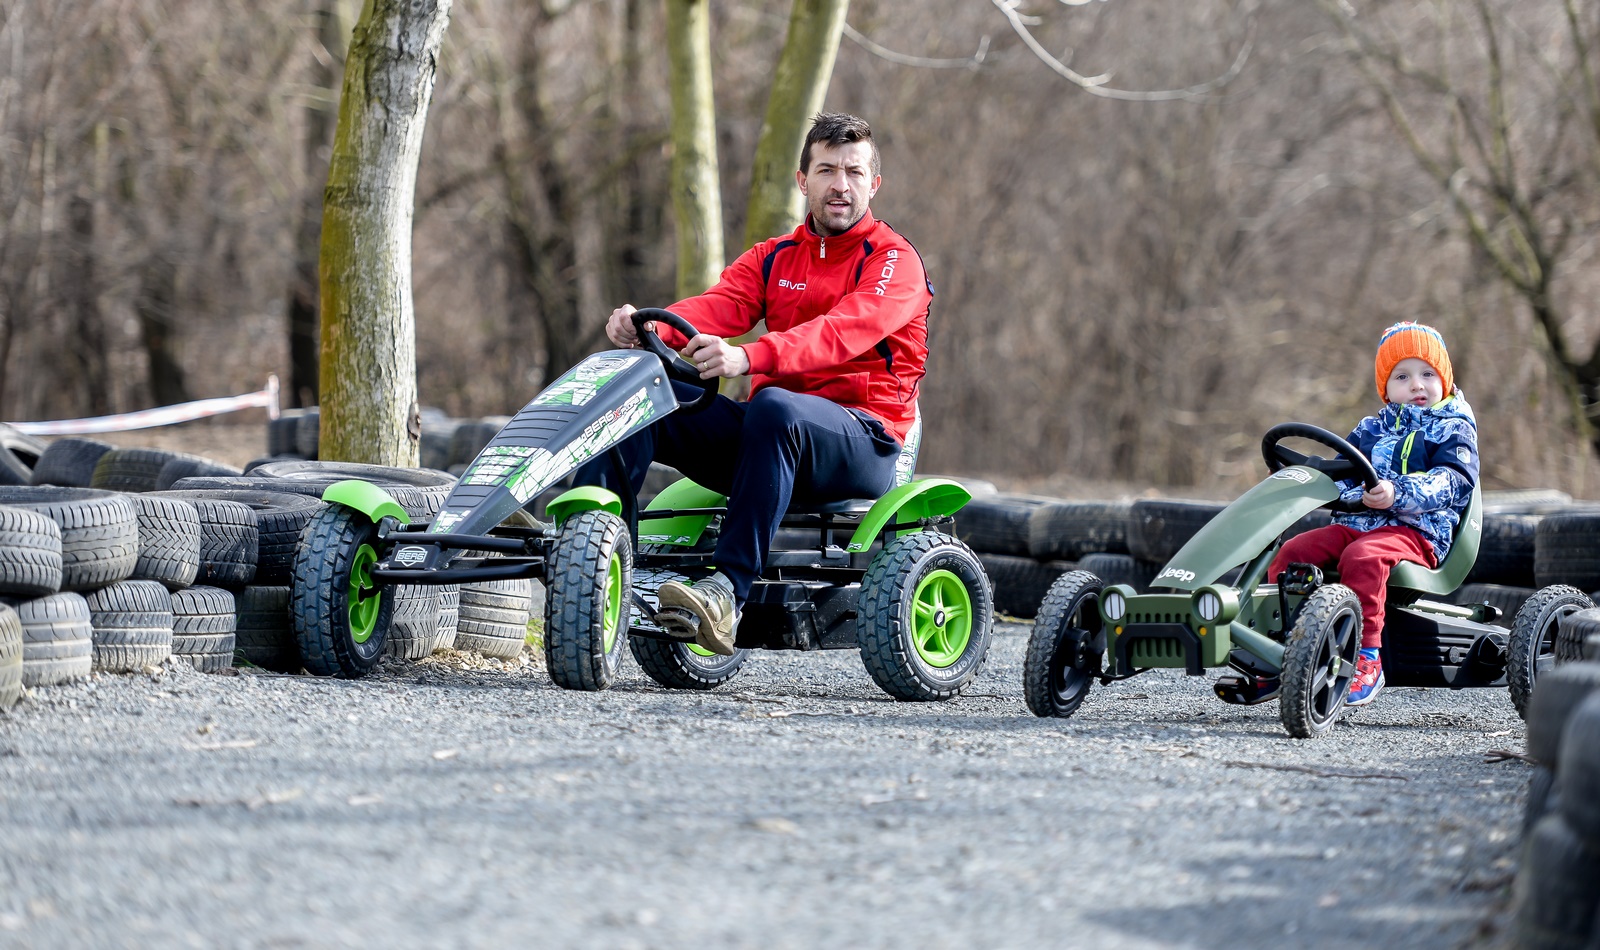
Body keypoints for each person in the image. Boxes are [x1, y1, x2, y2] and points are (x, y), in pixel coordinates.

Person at [580, 112, 934, 656]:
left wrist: (748, 357)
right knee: (637, 397)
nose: (841, 185)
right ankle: (599, 558)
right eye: (826, 170)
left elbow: (840, 333)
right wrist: (653, 325)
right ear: (803, 180)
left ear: (874, 184)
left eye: (854, 172)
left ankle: (727, 595)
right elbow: (719, 306)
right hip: (771, 437)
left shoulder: (894, 262)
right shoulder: (773, 257)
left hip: (865, 441)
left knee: (773, 404)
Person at [1268, 321, 1479, 707]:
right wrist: (1309, 484)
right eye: (1403, 376)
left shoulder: (1454, 429)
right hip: (1358, 524)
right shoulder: (1370, 429)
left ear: (1444, 379)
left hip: (1417, 531)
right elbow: (1341, 475)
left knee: (1362, 557)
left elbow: (1453, 482)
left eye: (1427, 374)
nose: (1417, 385)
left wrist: (1397, 493)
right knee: (1292, 553)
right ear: (1386, 388)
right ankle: (1279, 648)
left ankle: (1367, 656)